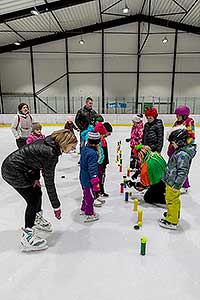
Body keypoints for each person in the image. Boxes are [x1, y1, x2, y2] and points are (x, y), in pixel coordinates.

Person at [1, 129, 77, 252]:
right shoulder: (51, 153)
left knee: (37, 192)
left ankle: (36, 217)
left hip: (21, 169)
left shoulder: (49, 143)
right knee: (32, 200)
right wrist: (56, 206)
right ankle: (28, 237)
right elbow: (49, 182)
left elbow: (34, 160)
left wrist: (35, 178)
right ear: (64, 143)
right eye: (72, 146)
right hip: (13, 171)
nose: (72, 149)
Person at [159, 126, 196, 230]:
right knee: (173, 200)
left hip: (174, 183)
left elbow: (183, 172)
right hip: (171, 181)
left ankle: (172, 221)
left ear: (180, 142)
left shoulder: (183, 155)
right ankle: (174, 214)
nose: (172, 145)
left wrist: (177, 185)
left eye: (173, 143)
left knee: (171, 200)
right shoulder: (180, 150)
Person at [167, 105, 195, 194]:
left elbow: (191, 136)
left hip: (184, 149)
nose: (177, 117)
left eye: (179, 115)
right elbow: (172, 133)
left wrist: (179, 144)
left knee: (182, 167)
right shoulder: (177, 123)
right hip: (174, 148)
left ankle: (185, 185)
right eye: (176, 115)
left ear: (184, 115)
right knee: (173, 166)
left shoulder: (189, 122)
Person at [80, 130, 101, 222]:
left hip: (82, 176)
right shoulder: (92, 154)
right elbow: (92, 169)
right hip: (88, 178)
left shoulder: (85, 148)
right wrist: (95, 182)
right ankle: (89, 214)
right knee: (90, 196)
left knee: (86, 193)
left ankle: (83, 208)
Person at [98, 122, 113, 198]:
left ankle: (101, 190)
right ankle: (99, 191)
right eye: (109, 133)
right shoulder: (100, 140)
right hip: (100, 163)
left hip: (103, 163)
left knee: (102, 176)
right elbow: (101, 153)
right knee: (100, 177)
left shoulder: (103, 140)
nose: (109, 135)